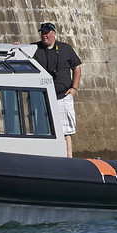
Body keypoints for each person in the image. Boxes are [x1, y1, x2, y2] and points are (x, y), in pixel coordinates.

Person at [32, 22, 82, 157]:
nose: (44, 35)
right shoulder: (34, 48)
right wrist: (17, 47)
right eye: (42, 33)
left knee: (65, 131)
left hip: (62, 96)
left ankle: (68, 158)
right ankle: (45, 157)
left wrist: (74, 88)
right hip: (41, 97)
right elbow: (19, 55)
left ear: (54, 33)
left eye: (47, 33)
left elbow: (77, 67)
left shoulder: (65, 48)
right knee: (41, 129)